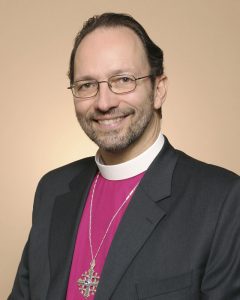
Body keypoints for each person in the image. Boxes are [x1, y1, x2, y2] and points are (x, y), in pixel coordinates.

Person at [8, 12, 240, 300]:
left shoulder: (221, 200)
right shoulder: (52, 190)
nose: (104, 102)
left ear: (158, 89)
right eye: (87, 85)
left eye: (123, 79)